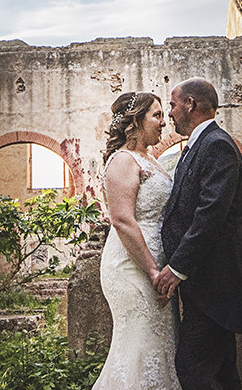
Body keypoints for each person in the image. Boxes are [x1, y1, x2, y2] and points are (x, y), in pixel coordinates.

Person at [153, 78, 242, 390]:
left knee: (193, 369)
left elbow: (210, 215)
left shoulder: (216, 145)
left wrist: (177, 267)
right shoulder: (198, 146)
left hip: (216, 281)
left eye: (174, 105)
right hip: (204, 283)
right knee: (220, 371)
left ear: (190, 104)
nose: (171, 114)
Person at [92, 91, 181, 390]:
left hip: (158, 267)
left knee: (162, 345)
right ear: (136, 120)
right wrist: (152, 270)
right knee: (140, 345)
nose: (164, 122)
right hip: (132, 267)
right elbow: (122, 220)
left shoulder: (151, 160)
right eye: (156, 115)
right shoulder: (122, 160)